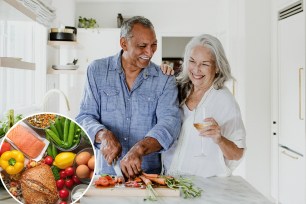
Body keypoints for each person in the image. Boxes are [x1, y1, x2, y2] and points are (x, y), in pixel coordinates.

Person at [76, 16, 181, 178]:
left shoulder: (164, 79)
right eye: (142, 46)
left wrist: (139, 149)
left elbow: (169, 124)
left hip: (148, 177)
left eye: (154, 45)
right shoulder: (97, 71)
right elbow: (85, 116)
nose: (150, 52)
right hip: (105, 175)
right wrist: (103, 135)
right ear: (123, 43)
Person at [162, 34, 246, 178]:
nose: (196, 69)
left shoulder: (224, 101)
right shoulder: (177, 89)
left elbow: (237, 154)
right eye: (192, 61)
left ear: (217, 68)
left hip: (204, 186)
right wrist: (160, 74)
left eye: (205, 64)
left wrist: (220, 139)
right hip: (169, 179)